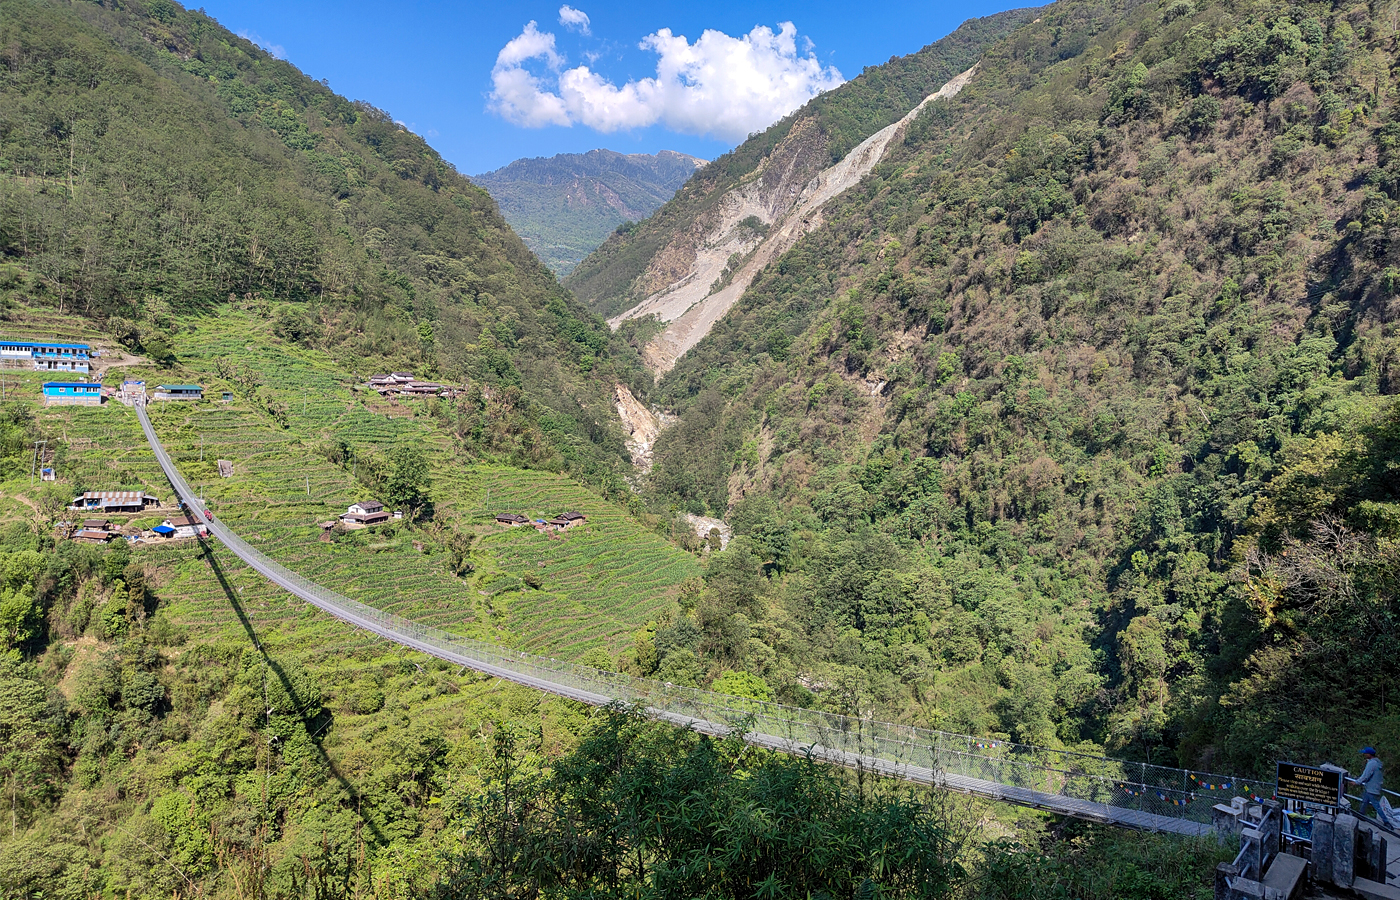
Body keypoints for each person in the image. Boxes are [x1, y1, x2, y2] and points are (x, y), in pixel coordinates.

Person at [1349, 747, 1393, 828]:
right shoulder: (1377, 762)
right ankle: (1360, 814)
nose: (1364, 754)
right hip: (1373, 787)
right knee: (1364, 801)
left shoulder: (1372, 764)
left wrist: (1357, 782)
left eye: (1365, 753)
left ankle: (1386, 822)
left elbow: (1366, 775)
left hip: (1372, 788)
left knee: (1376, 805)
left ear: (1369, 754)